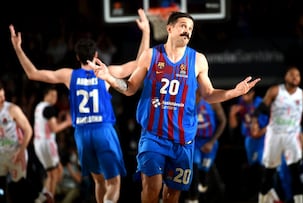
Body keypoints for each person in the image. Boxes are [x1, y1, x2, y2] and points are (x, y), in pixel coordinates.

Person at [88, 11, 260, 203]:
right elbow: (130, 88)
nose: (187, 31)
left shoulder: (198, 60)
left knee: (172, 195)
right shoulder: (151, 55)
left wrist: (235, 92)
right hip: (153, 136)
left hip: (183, 142)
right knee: (151, 188)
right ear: (169, 28)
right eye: (183, 26)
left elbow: (209, 94)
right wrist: (109, 78)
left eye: (191, 29)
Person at [9, 8, 150, 203]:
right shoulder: (106, 72)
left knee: (99, 181)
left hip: (82, 134)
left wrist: (17, 48)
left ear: (77, 57)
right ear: (96, 54)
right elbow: (139, 63)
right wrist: (146, 32)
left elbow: (33, 73)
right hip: (103, 130)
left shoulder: (68, 75)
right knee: (114, 182)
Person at [252, 66, 303, 203]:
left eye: (298, 75)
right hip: (275, 134)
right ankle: (262, 199)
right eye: (292, 74)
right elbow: (262, 108)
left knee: (295, 172)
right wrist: (254, 121)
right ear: (286, 77)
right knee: (269, 173)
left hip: (292, 135)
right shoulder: (275, 90)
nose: (295, 77)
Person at [185, 90, 227, 203]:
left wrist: (212, 142)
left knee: (204, 173)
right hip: (194, 140)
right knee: (193, 168)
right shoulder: (186, 102)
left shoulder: (212, 102)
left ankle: (204, 192)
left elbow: (223, 121)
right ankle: (193, 198)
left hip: (209, 140)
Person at [33, 85, 72, 203]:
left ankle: (43, 197)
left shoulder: (39, 107)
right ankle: (49, 198)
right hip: (47, 144)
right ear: (46, 95)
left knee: (55, 172)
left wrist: (60, 119)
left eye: (56, 96)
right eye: (53, 95)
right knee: (54, 174)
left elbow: (48, 125)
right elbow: (54, 128)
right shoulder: (49, 109)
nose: (55, 98)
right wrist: (67, 123)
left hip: (39, 143)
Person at [0, 82, 33, 203]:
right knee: (2, 189)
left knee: (18, 190)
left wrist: (21, 151)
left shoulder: (12, 109)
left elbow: (28, 130)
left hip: (15, 154)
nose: (2, 99)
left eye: (3, 96)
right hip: (1, 155)